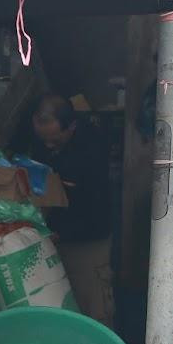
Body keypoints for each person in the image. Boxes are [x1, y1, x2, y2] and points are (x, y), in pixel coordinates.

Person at [29, 93, 115, 327]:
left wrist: (64, 233)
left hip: (87, 240)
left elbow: (91, 203)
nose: (48, 146)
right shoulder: (36, 142)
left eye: (55, 141)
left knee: (93, 307)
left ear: (72, 126)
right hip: (54, 239)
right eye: (44, 140)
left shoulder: (91, 149)